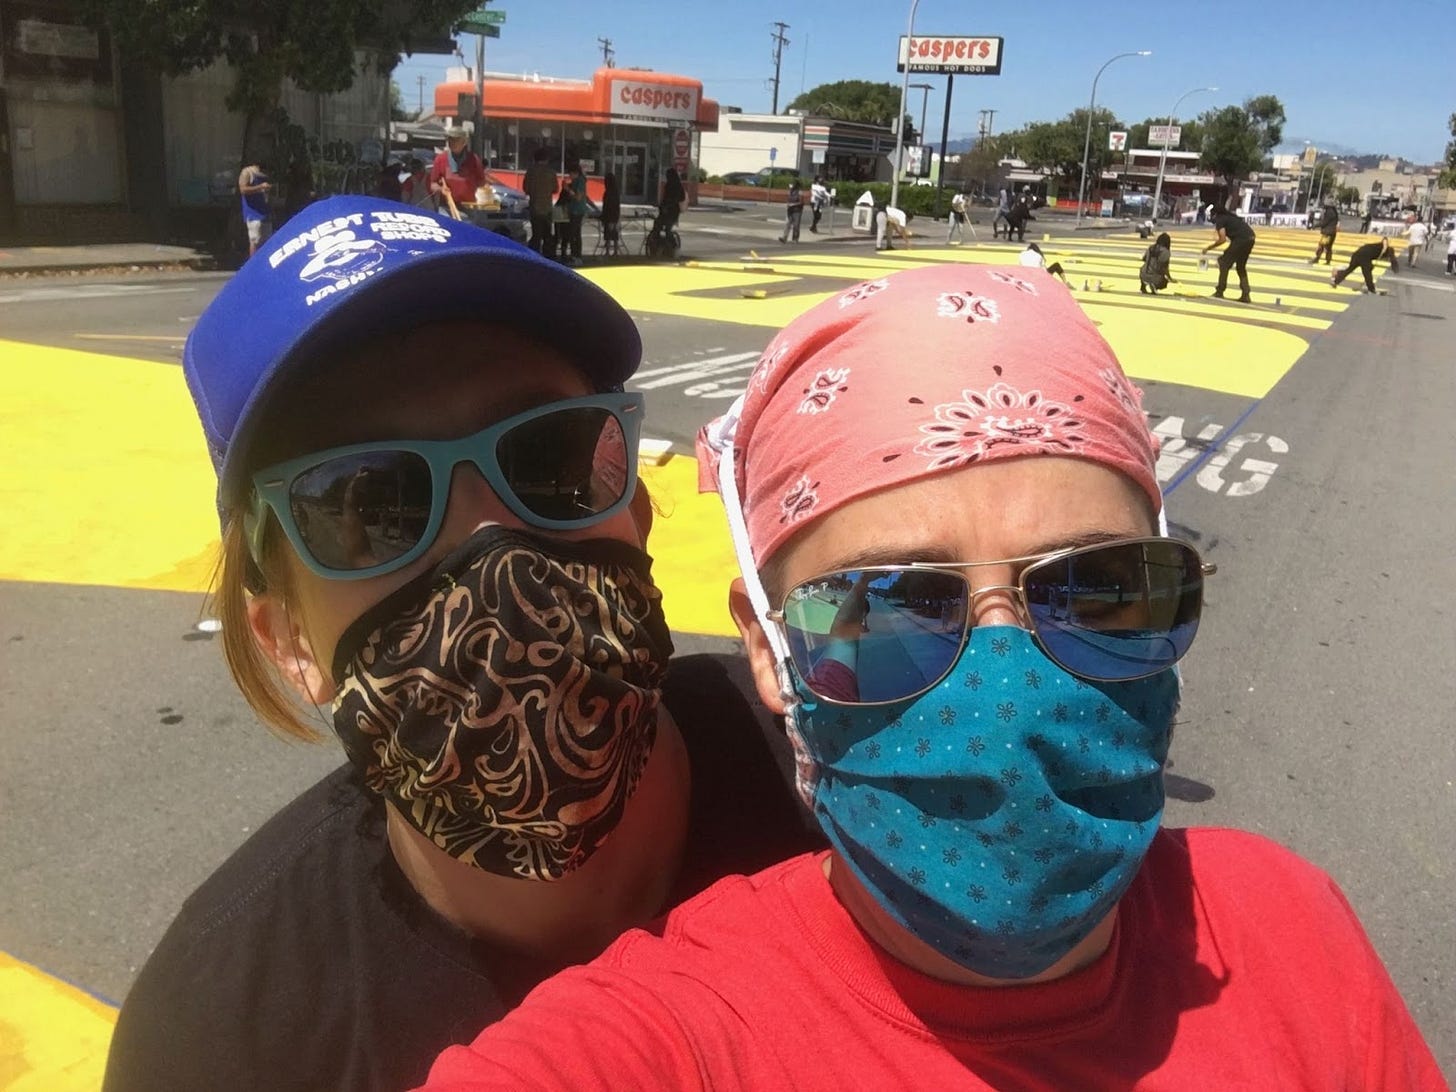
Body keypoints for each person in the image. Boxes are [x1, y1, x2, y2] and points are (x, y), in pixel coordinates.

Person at [421, 263, 1445, 1090]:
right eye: (886, 609)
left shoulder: (1291, 929)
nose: (1007, 681)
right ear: (769, 651)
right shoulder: (665, 1039)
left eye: (1098, 590)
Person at [101, 197, 821, 1092]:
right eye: (371, 502)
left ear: (635, 513)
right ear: (287, 639)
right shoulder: (221, 1037)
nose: (490, 538)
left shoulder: (854, 801)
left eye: (549, 458)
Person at [1202, 204, 1255, 303]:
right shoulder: (1230, 217)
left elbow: (1222, 239)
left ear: (1214, 214)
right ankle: (1246, 293)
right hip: (1250, 238)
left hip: (1241, 240)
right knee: (1241, 267)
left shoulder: (1220, 220)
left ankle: (1220, 290)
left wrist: (1209, 248)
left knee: (1223, 262)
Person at [430, 123, 487, 213]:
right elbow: (433, 184)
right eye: (450, 139)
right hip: (447, 207)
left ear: (464, 142)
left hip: (469, 207)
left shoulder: (473, 159)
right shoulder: (440, 159)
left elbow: (481, 182)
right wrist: (441, 189)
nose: (452, 143)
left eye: (456, 140)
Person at [521, 147, 558, 255]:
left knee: (536, 234)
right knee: (547, 234)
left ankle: (535, 256)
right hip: (547, 207)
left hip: (535, 207)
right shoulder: (551, 172)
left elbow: (526, 189)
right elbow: (555, 189)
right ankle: (548, 256)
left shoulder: (530, 172)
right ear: (547, 159)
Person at [1331, 236, 1399, 293]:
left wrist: (1371, 266)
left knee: (1349, 269)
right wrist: (1395, 268)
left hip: (1357, 254)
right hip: (1364, 256)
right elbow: (1385, 240)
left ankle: (1336, 280)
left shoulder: (1377, 246)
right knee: (1367, 273)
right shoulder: (1388, 249)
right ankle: (1371, 288)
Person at [237, 163, 271, 258]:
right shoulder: (248, 172)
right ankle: (253, 262)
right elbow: (243, 190)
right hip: (253, 214)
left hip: (265, 212)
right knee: (255, 240)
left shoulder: (264, 176)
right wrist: (260, 187)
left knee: (267, 241)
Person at [600, 172, 622, 258]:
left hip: (608, 216)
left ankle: (607, 252)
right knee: (615, 235)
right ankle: (615, 252)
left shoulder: (607, 193)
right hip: (615, 216)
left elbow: (606, 206)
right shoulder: (616, 192)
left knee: (608, 235)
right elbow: (617, 206)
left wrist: (603, 217)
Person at [780, 178, 804, 244]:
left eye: (792, 184)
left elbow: (801, 202)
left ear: (795, 185)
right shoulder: (790, 191)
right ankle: (784, 238)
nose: (791, 185)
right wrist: (787, 204)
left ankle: (795, 238)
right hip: (790, 210)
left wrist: (793, 204)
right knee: (787, 224)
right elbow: (788, 199)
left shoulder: (800, 192)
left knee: (796, 225)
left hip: (797, 210)